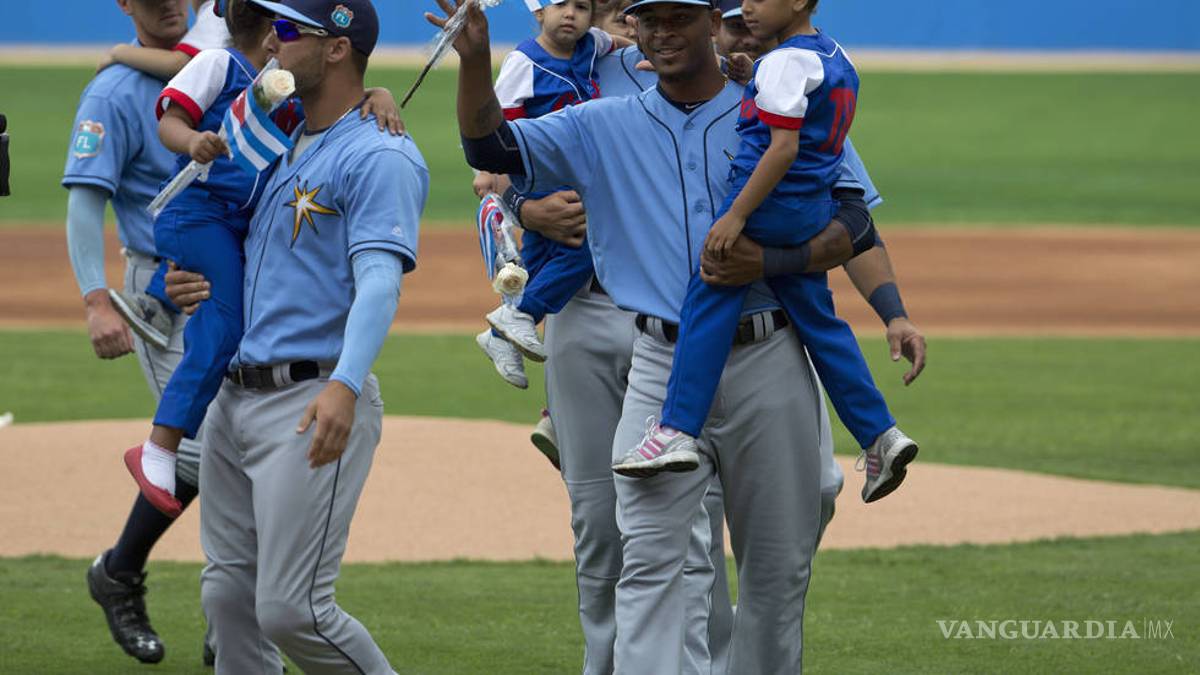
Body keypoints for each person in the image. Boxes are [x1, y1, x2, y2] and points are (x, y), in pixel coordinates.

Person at [436, 0, 925, 670]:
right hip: (659, 365)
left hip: (771, 358)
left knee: (777, 580)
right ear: (631, 25)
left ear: (710, 21)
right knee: (649, 569)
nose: (663, 31)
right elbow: (490, 149)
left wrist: (787, 267)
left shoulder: (773, 102)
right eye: (649, 18)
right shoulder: (600, 123)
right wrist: (473, 64)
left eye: (679, 16)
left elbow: (852, 221)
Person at [176, 0, 426, 671]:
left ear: (336, 47)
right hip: (233, 399)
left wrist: (346, 383)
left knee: (292, 608)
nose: (268, 42)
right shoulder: (284, 139)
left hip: (309, 399)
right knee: (228, 592)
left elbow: (379, 281)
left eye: (285, 31)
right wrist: (189, 283)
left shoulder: (382, 155)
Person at [614, 0, 919, 508]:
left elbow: (781, 148)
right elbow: (805, 104)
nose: (748, 8)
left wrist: (735, 216)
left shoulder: (783, 61)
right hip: (811, 207)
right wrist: (750, 76)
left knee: (709, 291)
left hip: (767, 203)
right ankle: (880, 434)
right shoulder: (833, 55)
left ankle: (677, 428)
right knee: (821, 324)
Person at [63, 0, 196, 664]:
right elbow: (85, 201)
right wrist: (96, 302)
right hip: (161, 298)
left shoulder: (232, 69)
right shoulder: (113, 93)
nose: (170, 4)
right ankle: (124, 572)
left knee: (251, 451)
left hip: (244, 287)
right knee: (206, 453)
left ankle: (228, 612)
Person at [474, 0, 624, 386]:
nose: (571, 13)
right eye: (560, 5)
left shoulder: (593, 43)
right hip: (540, 172)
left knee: (537, 262)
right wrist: (487, 171)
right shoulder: (524, 61)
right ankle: (522, 315)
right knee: (586, 247)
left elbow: (620, 43)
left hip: (570, 170)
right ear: (539, 13)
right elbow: (491, 124)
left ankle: (498, 338)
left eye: (582, 6)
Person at [98, 0, 231, 82]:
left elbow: (177, 64)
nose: (169, 3)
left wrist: (118, 52)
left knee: (171, 124)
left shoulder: (214, 15)